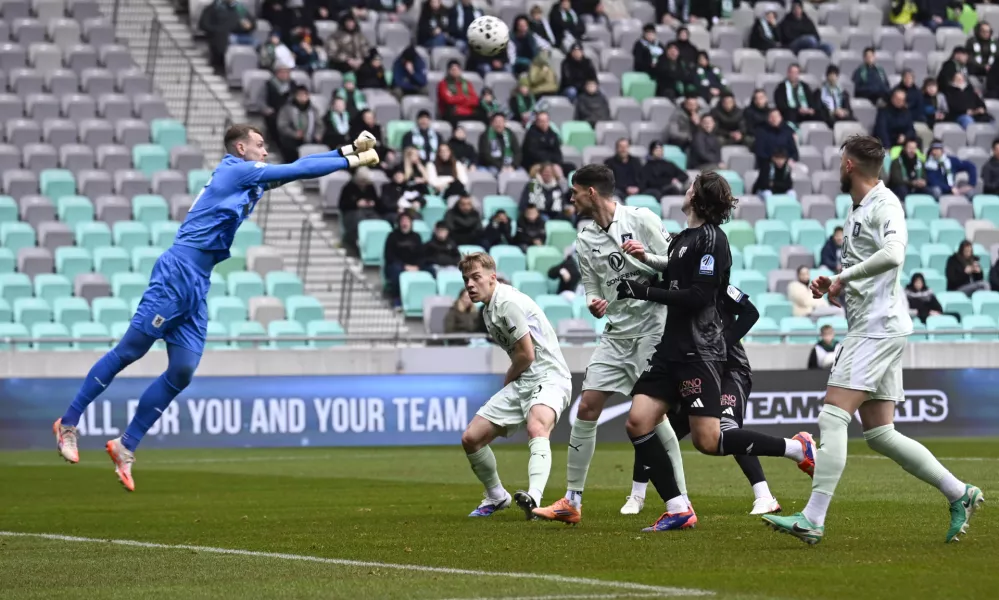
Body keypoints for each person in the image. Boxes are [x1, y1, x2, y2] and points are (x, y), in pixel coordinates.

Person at [51, 125, 379, 484]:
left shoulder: (249, 180)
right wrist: (349, 160)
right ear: (241, 148)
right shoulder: (235, 170)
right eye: (259, 145)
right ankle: (68, 422)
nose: (265, 152)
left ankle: (125, 445)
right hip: (177, 273)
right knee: (130, 351)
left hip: (197, 283)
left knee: (182, 371)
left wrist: (346, 148)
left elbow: (301, 165)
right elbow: (297, 169)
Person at [764, 134, 982, 545]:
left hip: (876, 328)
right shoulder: (859, 208)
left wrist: (843, 277)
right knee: (880, 433)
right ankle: (960, 493)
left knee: (832, 416)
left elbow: (895, 253)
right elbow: (871, 267)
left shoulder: (885, 204)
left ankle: (813, 518)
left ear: (848, 165)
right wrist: (837, 285)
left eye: (839, 162)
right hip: (875, 323)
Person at [615, 171, 815, 532]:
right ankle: (677, 508)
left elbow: (699, 296)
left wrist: (644, 292)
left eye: (691, 186)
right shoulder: (682, 239)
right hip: (670, 349)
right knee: (637, 422)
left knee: (709, 440)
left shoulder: (713, 240)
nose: (685, 189)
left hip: (698, 351)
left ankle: (796, 449)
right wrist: (644, 264)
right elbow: (672, 275)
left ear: (699, 197)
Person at [531, 163, 687, 522]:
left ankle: (679, 499)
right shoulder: (585, 239)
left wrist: (644, 257)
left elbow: (676, 266)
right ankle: (572, 501)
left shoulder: (641, 218)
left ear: (591, 192)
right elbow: (590, 288)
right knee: (587, 408)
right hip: (616, 333)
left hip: (652, 327)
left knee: (652, 416)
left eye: (575, 191)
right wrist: (593, 304)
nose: (570, 197)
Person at [460, 252, 572, 518]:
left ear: (492, 277)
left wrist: (509, 376)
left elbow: (526, 354)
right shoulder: (488, 310)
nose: (470, 285)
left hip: (549, 376)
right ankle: (496, 495)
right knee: (471, 439)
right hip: (526, 379)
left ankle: (534, 497)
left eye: (476, 277)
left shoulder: (507, 302)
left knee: (537, 425)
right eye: (466, 280)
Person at [198, 0, 256, 72]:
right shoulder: (214, 8)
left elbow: (251, 23)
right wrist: (219, 30)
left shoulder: (239, 8)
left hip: (239, 36)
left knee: (257, 44)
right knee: (223, 41)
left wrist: (250, 26)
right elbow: (203, 24)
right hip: (221, 38)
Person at [384, 212, 425, 304]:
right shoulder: (392, 236)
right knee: (396, 271)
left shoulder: (416, 237)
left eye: (407, 221)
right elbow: (389, 256)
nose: (405, 223)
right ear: (399, 223)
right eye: (403, 221)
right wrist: (404, 266)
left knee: (430, 270)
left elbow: (421, 254)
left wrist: (418, 266)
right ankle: (397, 298)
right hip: (397, 265)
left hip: (414, 265)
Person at [338, 167, 380, 252]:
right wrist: (356, 204)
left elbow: (377, 200)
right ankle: (352, 243)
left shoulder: (370, 187)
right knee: (359, 220)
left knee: (377, 220)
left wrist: (372, 203)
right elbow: (342, 205)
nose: (364, 184)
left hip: (369, 211)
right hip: (351, 212)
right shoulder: (348, 187)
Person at [276, 86, 324, 160]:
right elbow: (282, 126)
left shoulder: (313, 110)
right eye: (300, 95)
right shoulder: (287, 109)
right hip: (292, 141)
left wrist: (318, 135)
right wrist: (294, 134)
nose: (302, 97)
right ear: (295, 96)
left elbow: (319, 125)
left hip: (310, 139)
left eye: (305, 95)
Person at [775, 64, 818, 128]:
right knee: (790, 114)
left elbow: (811, 100)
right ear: (788, 73)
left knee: (817, 114)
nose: (794, 75)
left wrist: (810, 109)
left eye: (796, 73)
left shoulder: (804, 86)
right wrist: (797, 110)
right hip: (790, 113)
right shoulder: (781, 87)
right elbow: (781, 105)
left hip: (805, 113)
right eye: (792, 72)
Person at [263, 61, 294, 143]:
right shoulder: (269, 84)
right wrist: (266, 108)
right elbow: (261, 99)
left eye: (287, 72)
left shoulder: (292, 84)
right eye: (282, 72)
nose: (284, 74)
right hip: (274, 111)